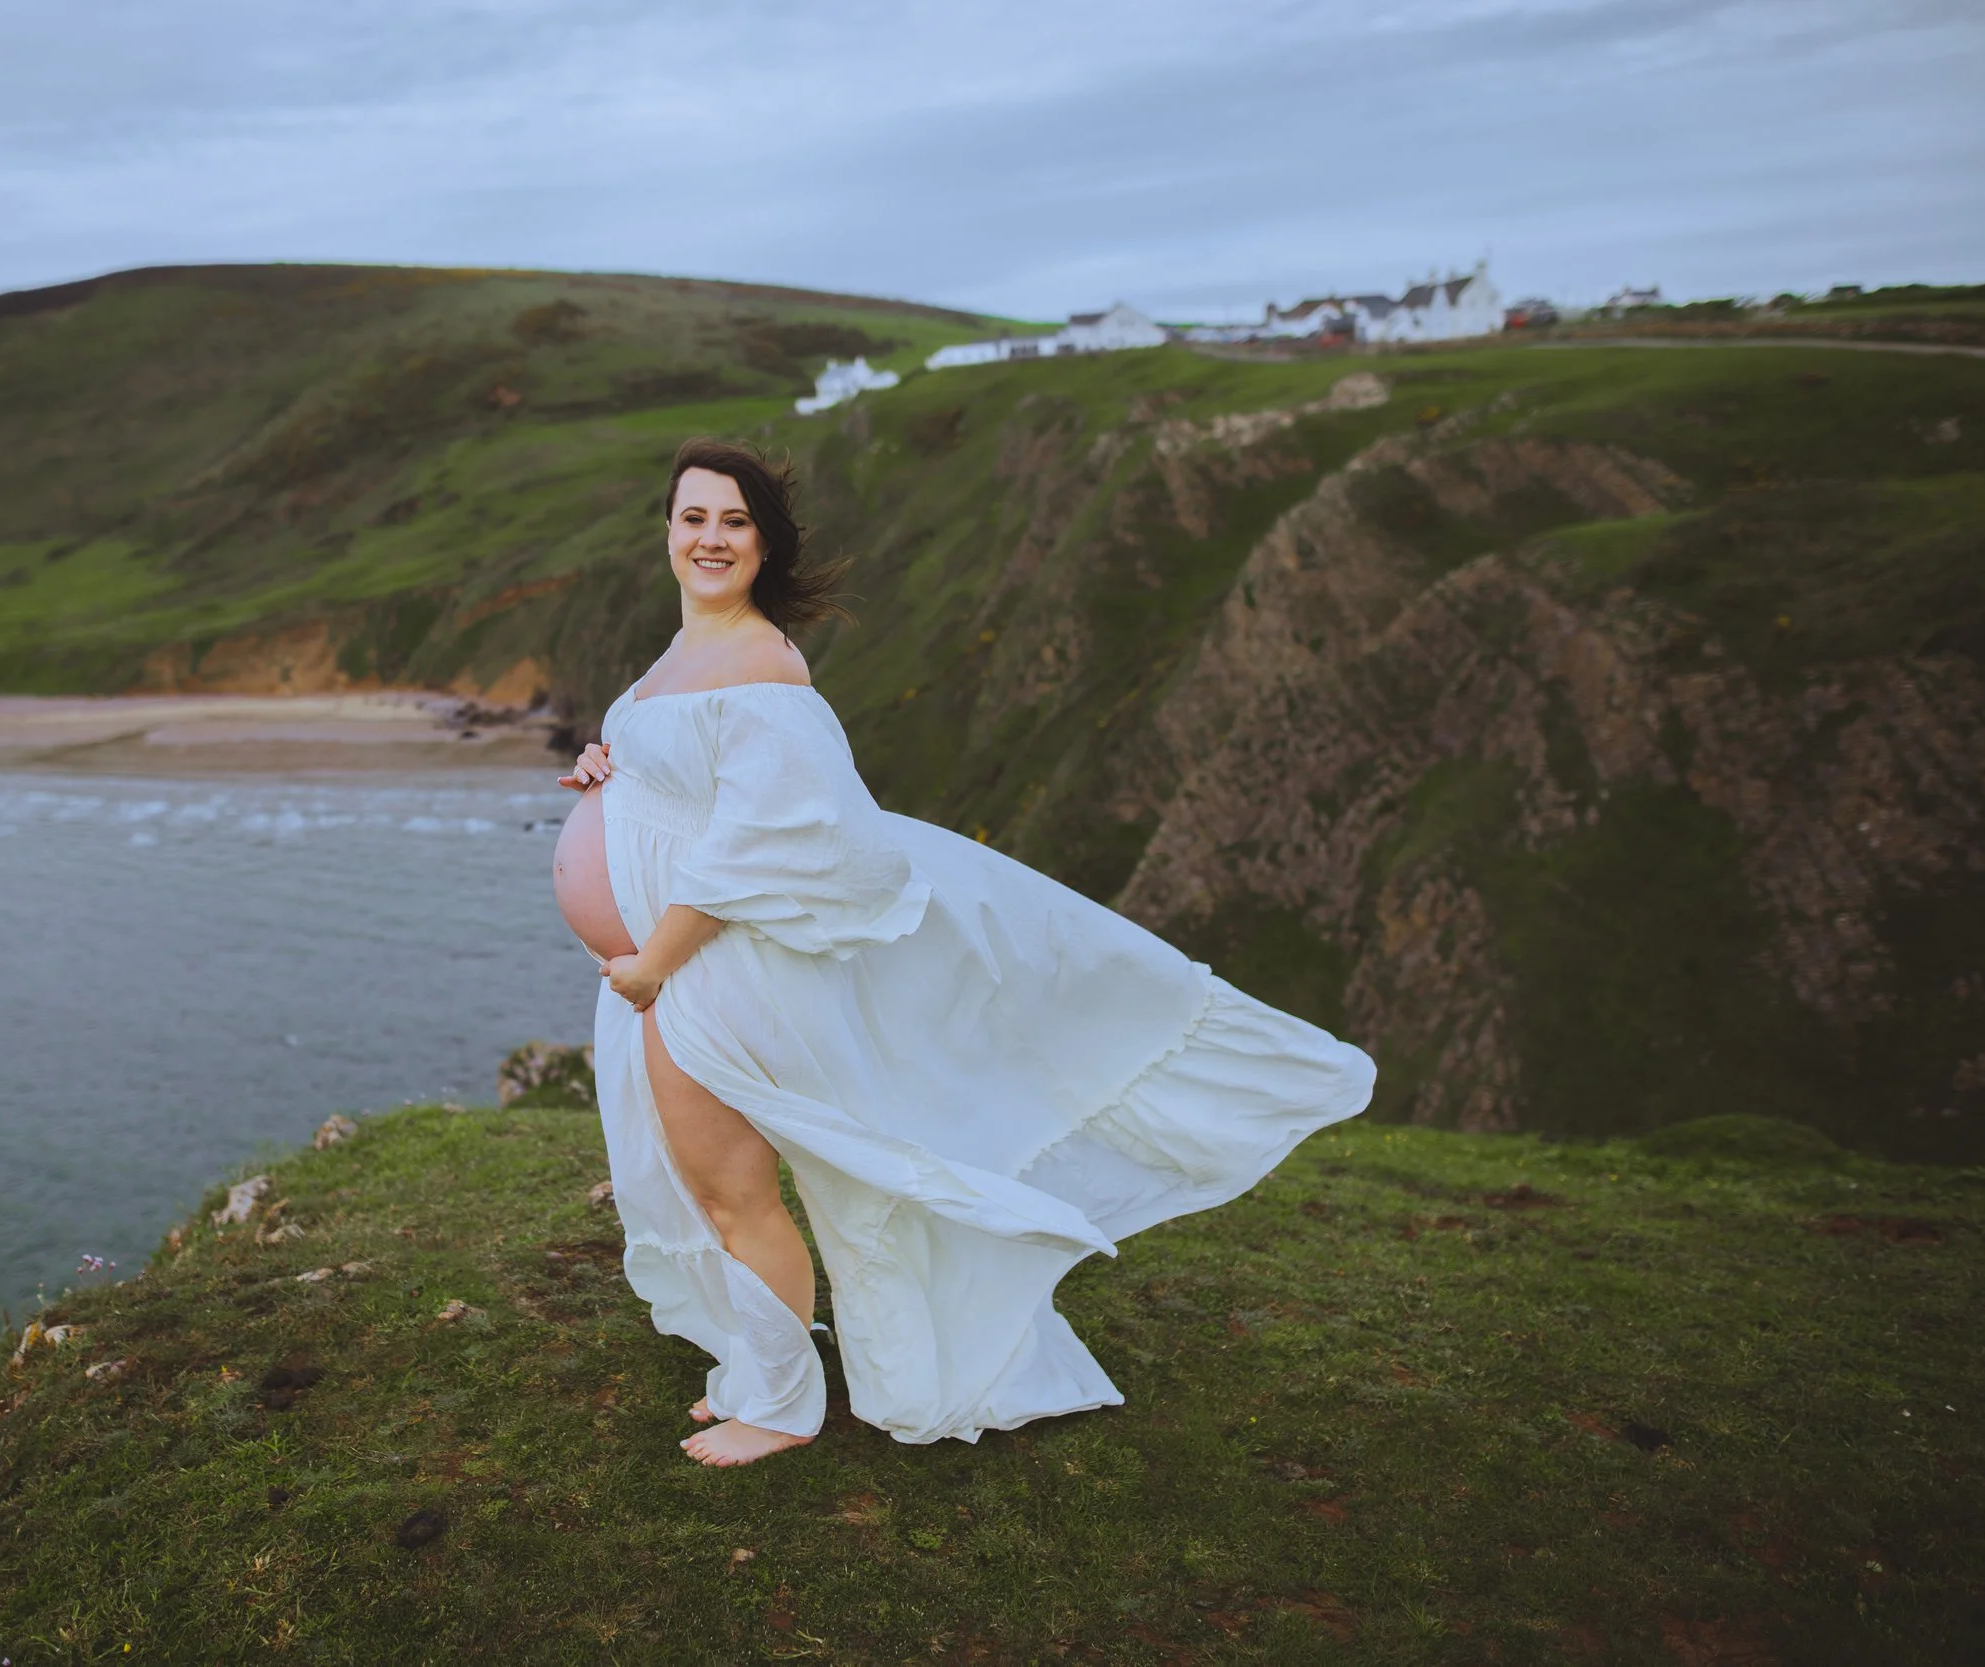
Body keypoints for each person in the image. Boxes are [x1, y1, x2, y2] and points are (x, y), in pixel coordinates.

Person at [549, 438, 1375, 1467]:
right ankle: (759, 1374)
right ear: (665, 530)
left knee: (735, 1192)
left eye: (734, 521)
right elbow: (685, 782)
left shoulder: (764, 660)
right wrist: (606, 766)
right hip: (672, 968)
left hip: (706, 969)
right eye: (693, 517)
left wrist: (656, 962)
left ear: (765, 543)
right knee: (710, 1188)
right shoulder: (674, 656)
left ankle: (779, 1407)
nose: (710, 537)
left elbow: (764, 840)